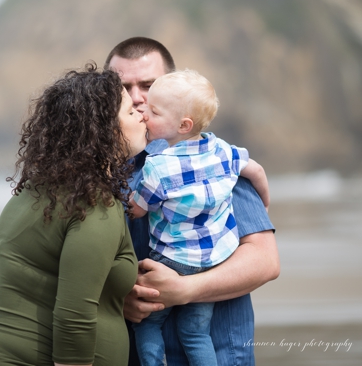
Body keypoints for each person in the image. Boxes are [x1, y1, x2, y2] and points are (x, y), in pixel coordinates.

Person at [0, 65, 144, 365]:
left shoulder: (36, 191)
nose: (142, 114)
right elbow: (73, 319)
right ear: (106, 131)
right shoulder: (94, 204)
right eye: (130, 112)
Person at [104, 38, 280, 366]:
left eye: (148, 85)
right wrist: (116, 298)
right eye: (124, 87)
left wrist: (186, 290)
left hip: (222, 353)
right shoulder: (99, 174)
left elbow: (265, 261)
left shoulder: (213, 158)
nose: (137, 97)